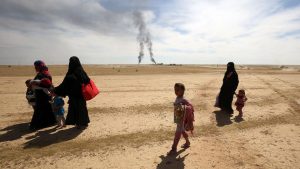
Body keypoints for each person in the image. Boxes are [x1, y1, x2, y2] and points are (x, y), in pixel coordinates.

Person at [54, 56, 90, 129]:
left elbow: (64, 85)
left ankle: (79, 124)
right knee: (82, 108)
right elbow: (87, 80)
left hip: (74, 95)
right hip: (81, 95)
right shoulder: (81, 71)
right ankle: (84, 123)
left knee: (76, 108)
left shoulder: (70, 73)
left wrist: (55, 90)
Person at [29, 60, 56, 130]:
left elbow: (47, 84)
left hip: (43, 95)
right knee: (46, 109)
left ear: (41, 66)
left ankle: (36, 125)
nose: (35, 68)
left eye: (37, 66)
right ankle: (49, 122)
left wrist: (35, 84)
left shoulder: (44, 74)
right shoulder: (43, 73)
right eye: (35, 66)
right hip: (42, 95)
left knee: (40, 109)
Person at [168, 83, 194, 155]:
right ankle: (187, 142)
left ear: (182, 91)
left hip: (182, 119)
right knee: (182, 130)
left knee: (178, 132)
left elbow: (190, 107)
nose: (176, 91)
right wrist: (176, 105)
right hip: (178, 118)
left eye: (177, 90)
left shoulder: (184, 99)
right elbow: (177, 105)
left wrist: (184, 107)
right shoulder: (178, 98)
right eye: (175, 90)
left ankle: (174, 148)